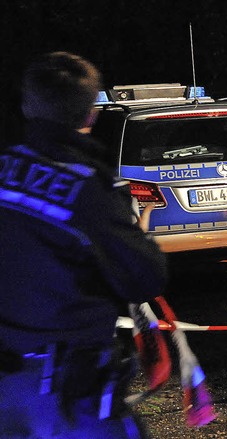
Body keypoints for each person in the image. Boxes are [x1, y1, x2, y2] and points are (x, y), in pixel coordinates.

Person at [0, 52, 167, 437]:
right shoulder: (87, 189)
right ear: (91, 114)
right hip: (66, 398)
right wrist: (137, 236)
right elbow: (145, 277)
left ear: (27, 106)